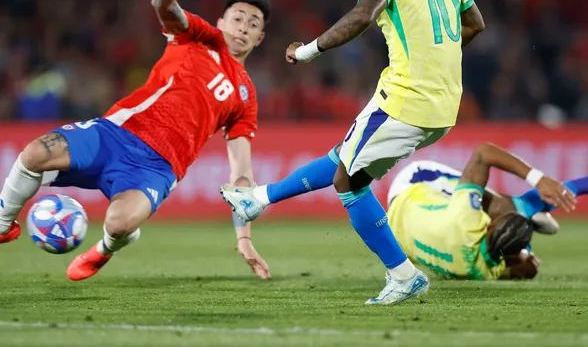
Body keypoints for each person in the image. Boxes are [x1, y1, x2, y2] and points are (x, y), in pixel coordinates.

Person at [223, 0, 485, 305]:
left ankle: (402, 275)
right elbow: (474, 22)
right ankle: (258, 199)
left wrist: (306, 50)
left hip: (406, 97)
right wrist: (438, 55)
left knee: (348, 180)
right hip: (443, 102)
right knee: (346, 154)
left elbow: (364, 15)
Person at [0, 0, 271, 281]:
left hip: (157, 168)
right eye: (237, 19)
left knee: (119, 224)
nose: (243, 28)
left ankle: (104, 249)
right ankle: (4, 225)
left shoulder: (246, 96)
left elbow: (241, 172)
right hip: (116, 133)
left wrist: (244, 238)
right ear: (221, 22)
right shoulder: (199, 36)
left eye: (253, 24)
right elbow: (164, 7)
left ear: (260, 37)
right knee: (35, 153)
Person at [223, 142, 581, 281]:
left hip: (411, 189)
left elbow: (484, 153)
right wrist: (526, 259)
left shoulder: (468, 218)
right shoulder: (482, 272)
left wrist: (538, 179)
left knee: (508, 203)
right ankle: (529, 223)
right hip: (401, 236)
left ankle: (529, 212)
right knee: (517, 216)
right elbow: (521, 269)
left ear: (486, 227)